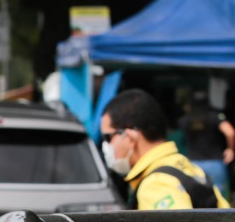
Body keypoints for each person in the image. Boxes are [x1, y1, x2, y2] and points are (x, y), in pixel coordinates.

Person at [100, 88, 229, 210]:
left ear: (129, 136)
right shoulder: (186, 166)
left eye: (108, 137)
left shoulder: (156, 185)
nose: (106, 146)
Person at [177, 91, 235, 196]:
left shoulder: (185, 120)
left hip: (194, 164)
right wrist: (230, 150)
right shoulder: (214, 116)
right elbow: (230, 132)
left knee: (196, 199)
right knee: (219, 198)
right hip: (215, 164)